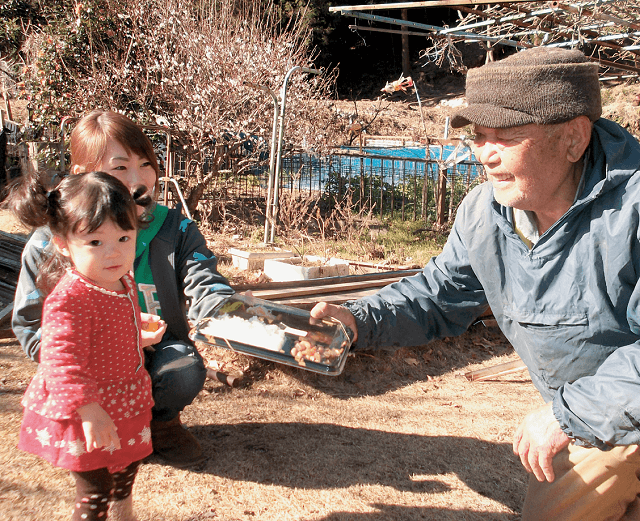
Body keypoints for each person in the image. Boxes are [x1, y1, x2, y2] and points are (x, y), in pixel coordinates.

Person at [311, 46, 640, 520]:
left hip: (601, 410)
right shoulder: (486, 213)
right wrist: (358, 319)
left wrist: (569, 415)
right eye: (479, 136)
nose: (484, 155)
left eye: (505, 137)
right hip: (591, 416)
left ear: (573, 138)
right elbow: (439, 296)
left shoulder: (632, 211)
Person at [12, 110, 235, 468]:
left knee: (184, 367)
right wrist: (74, 366)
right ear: (83, 175)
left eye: (146, 164)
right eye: (119, 168)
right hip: (84, 365)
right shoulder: (51, 243)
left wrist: (232, 312)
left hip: (158, 351)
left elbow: (204, 283)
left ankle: (161, 424)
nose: (138, 180)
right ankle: (88, 424)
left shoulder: (175, 229)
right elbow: (29, 324)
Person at [3, 170, 167, 521]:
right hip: (88, 407)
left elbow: (109, 327)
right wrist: (88, 410)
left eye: (124, 238)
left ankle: (124, 512)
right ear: (63, 243)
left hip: (125, 395)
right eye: (95, 242)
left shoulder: (120, 278)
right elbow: (61, 361)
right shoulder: (70, 300)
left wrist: (139, 335)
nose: (114, 253)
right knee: (95, 490)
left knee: (127, 466)